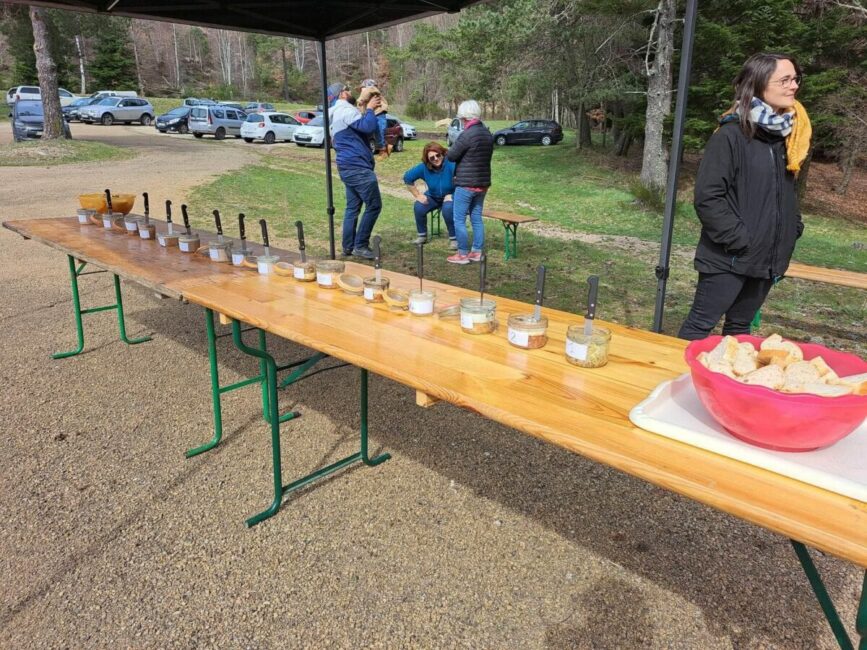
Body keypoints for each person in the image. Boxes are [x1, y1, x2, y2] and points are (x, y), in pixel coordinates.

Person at [678, 53, 812, 340]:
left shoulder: (788, 138)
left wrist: (792, 228)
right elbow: (708, 196)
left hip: (768, 258)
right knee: (700, 326)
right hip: (730, 257)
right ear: (759, 83)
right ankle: (675, 383)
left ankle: (721, 385)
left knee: (740, 331)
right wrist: (739, 239)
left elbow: (786, 195)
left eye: (796, 79)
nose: (794, 86)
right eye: (785, 79)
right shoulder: (730, 135)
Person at [327, 81, 383, 260]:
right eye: (347, 90)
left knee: (353, 207)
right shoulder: (344, 109)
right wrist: (370, 109)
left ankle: (348, 247)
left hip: (346, 166)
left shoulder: (333, 114)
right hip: (358, 167)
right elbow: (367, 127)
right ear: (342, 95)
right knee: (374, 205)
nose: (350, 92)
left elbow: (358, 129)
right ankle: (360, 245)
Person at [445, 99, 494, 264]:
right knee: (476, 218)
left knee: (458, 218)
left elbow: (451, 156)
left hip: (466, 183)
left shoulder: (467, 134)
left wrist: (450, 148)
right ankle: (477, 252)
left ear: (464, 117)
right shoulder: (487, 133)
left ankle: (463, 254)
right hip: (483, 183)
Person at [403, 141, 457, 248]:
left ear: (443, 153)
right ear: (428, 160)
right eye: (432, 158)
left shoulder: (452, 164)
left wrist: (453, 196)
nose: (436, 159)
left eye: (438, 155)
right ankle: (422, 236)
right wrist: (418, 195)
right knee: (418, 206)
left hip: (452, 197)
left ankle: (454, 239)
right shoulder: (424, 167)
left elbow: (465, 182)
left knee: (447, 209)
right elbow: (407, 178)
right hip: (433, 196)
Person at [357, 79, 390, 161]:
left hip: (378, 113)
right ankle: (384, 148)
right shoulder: (370, 94)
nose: (361, 90)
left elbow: (363, 98)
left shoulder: (371, 90)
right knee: (377, 132)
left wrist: (360, 101)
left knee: (379, 131)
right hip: (375, 114)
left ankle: (383, 149)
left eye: (362, 88)